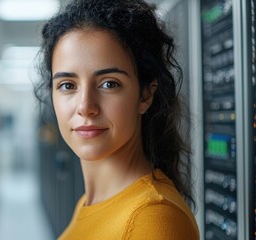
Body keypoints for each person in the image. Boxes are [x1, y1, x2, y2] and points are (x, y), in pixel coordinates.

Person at [34, 0, 200, 239]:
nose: (85, 107)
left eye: (109, 84)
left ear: (145, 94)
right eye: (68, 85)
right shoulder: (90, 202)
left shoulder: (151, 219)